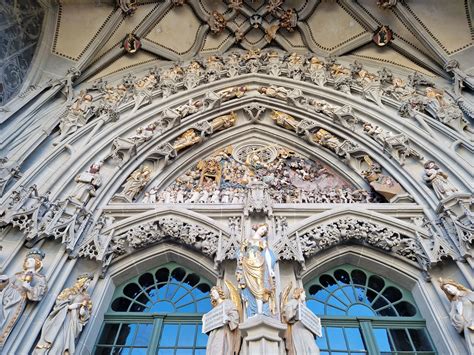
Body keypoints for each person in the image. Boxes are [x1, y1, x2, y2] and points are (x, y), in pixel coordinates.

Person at [34, 274, 93, 354]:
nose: (87, 285)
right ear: (81, 281)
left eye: (88, 283)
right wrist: (68, 307)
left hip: (71, 323)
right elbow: (59, 303)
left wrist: (82, 310)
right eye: (86, 282)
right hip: (60, 320)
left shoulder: (86, 298)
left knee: (59, 345)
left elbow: (84, 316)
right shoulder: (69, 291)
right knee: (53, 341)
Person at [0, 249, 47, 347]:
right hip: (4, 298)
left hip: (16, 302)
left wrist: (28, 287)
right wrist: (3, 281)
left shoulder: (39, 278)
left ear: (37, 263)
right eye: (27, 260)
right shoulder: (17, 274)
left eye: (31, 260)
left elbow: (37, 295)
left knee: (4, 323)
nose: (28, 261)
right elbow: (4, 286)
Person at [236, 223, 276, 317]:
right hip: (247, 264)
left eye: (265, 231)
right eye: (262, 229)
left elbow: (266, 254)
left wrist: (270, 269)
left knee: (259, 287)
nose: (263, 232)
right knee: (249, 287)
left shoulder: (263, 241)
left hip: (259, 263)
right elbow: (241, 252)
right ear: (258, 227)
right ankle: (253, 311)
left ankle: (260, 312)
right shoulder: (247, 240)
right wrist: (241, 259)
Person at [439, 279, 473, 353]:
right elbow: (458, 326)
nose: (449, 290)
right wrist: (459, 313)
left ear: (454, 285)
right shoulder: (453, 304)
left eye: (449, 286)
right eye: (446, 289)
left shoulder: (468, 294)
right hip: (468, 331)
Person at [282, 288, 320, 355]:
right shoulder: (293, 302)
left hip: (306, 329)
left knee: (315, 349)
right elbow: (287, 316)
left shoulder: (303, 306)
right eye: (304, 294)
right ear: (299, 294)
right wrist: (296, 312)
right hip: (298, 328)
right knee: (312, 349)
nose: (305, 296)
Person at [205, 286, 240, 355]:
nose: (213, 295)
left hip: (223, 331)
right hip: (213, 334)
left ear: (219, 292)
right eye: (212, 294)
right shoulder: (214, 309)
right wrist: (206, 321)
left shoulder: (227, 302)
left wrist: (227, 318)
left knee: (220, 349)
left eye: (214, 292)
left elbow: (235, 316)